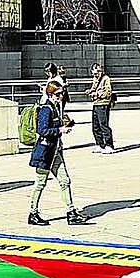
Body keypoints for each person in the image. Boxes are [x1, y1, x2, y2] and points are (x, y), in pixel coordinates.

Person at [28, 81, 85, 226]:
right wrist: (60, 130)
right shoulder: (46, 109)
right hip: (45, 153)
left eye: (62, 93)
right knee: (40, 183)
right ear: (50, 94)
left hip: (55, 152)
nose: (61, 96)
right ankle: (33, 213)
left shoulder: (56, 107)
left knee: (65, 181)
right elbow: (42, 130)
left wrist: (64, 125)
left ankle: (71, 212)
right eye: (58, 94)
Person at [86, 62, 116, 153]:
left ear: (101, 71)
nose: (96, 75)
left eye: (97, 72)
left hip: (103, 103)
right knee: (95, 126)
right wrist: (90, 91)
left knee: (103, 125)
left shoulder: (106, 79)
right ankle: (100, 144)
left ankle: (109, 145)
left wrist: (97, 94)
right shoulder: (95, 79)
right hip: (96, 103)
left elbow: (108, 92)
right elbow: (94, 88)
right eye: (94, 73)